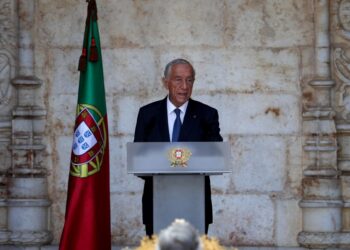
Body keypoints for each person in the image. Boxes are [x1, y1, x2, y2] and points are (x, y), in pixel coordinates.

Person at [133, 58, 223, 236]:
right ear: (165, 82)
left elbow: (215, 155)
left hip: (195, 204)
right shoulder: (147, 114)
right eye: (178, 79)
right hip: (157, 202)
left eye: (189, 80)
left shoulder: (207, 114)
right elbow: (139, 160)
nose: (184, 86)